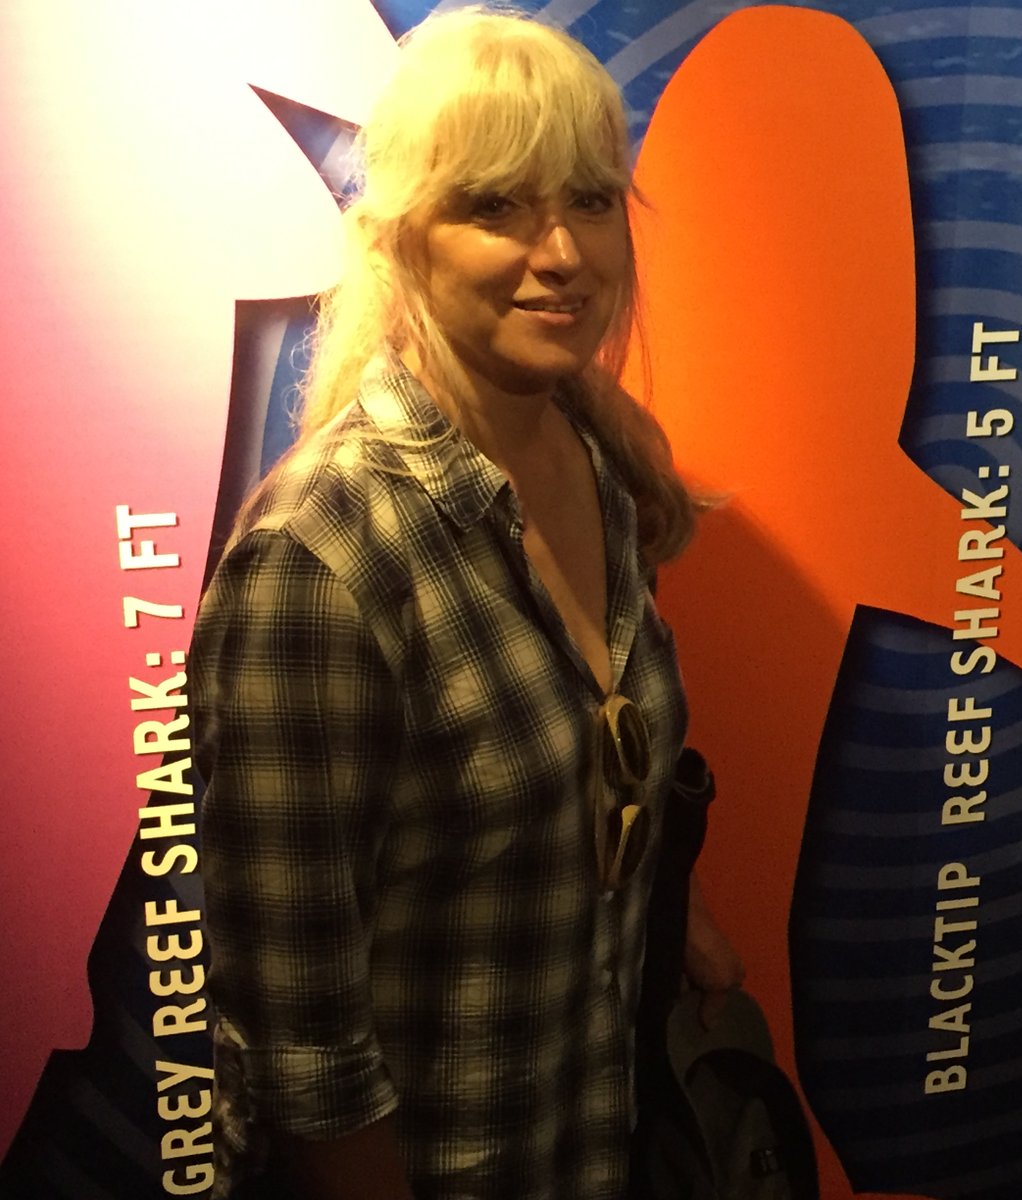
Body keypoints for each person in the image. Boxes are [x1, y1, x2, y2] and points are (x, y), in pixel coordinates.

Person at [191, 10, 740, 1199]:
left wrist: (674, 910)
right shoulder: (321, 558)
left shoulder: (591, 462)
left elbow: (581, 762)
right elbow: (303, 1052)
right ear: (401, 239)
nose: (564, 252)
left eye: (591, 200)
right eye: (497, 208)